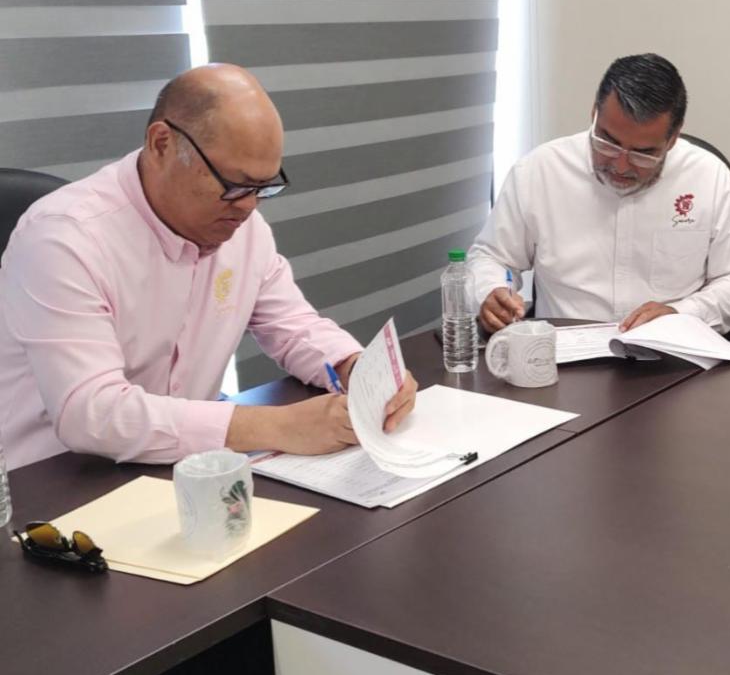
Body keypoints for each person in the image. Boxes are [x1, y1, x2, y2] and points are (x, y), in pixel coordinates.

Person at [0, 64, 417, 469]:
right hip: (53, 484)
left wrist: (356, 368)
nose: (248, 207)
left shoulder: (242, 227)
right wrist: (277, 426)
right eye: (234, 185)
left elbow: (292, 325)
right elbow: (92, 412)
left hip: (185, 468)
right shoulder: (65, 238)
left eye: (263, 187)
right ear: (162, 144)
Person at [469, 53, 730, 334]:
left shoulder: (708, 177)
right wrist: (491, 291)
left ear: (672, 139)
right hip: (565, 352)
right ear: (594, 114)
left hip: (671, 353)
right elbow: (492, 257)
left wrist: (684, 314)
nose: (620, 165)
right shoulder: (539, 171)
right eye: (608, 142)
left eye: (643, 153)